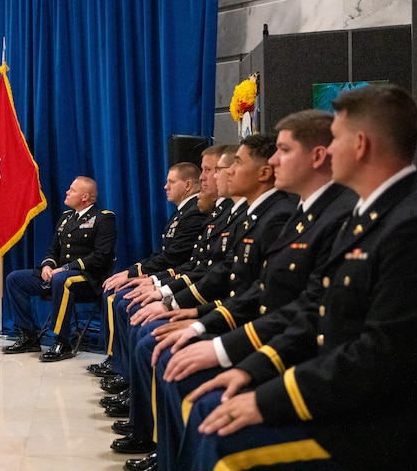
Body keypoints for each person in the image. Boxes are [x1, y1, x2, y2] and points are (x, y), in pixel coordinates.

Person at [182, 85, 417, 470]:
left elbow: (380, 354)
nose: (329, 150)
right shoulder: (367, 213)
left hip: (377, 429)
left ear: (360, 145)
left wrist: (270, 397)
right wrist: (250, 370)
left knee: (225, 441)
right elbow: (315, 309)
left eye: (337, 139)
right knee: (214, 406)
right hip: (340, 398)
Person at [147, 109, 357, 471]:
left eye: (284, 150)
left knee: (214, 419)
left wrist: (249, 368)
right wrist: (207, 331)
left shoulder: (359, 218)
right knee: (180, 370)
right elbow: (281, 296)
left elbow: (352, 336)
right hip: (281, 347)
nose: (275, 161)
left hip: (339, 402)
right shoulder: (305, 214)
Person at [90, 162, 207, 378]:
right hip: (172, 275)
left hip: (181, 281)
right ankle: (117, 361)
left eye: (171, 182)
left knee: (122, 299)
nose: (165, 186)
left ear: (188, 185)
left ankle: (124, 370)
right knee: (115, 291)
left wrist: (146, 277)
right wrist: (136, 271)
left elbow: (174, 258)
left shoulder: (194, 214)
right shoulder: (182, 213)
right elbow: (163, 254)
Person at [3, 176, 117, 362]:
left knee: (61, 280)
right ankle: (28, 335)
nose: (67, 192)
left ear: (85, 196)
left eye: (72, 190)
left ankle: (62, 341)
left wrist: (65, 268)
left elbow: (101, 255)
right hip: (59, 275)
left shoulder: (104, 218)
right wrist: (48, 265)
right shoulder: (66, 218)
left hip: (87, 278)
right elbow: (54, 249)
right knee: (15, 279)